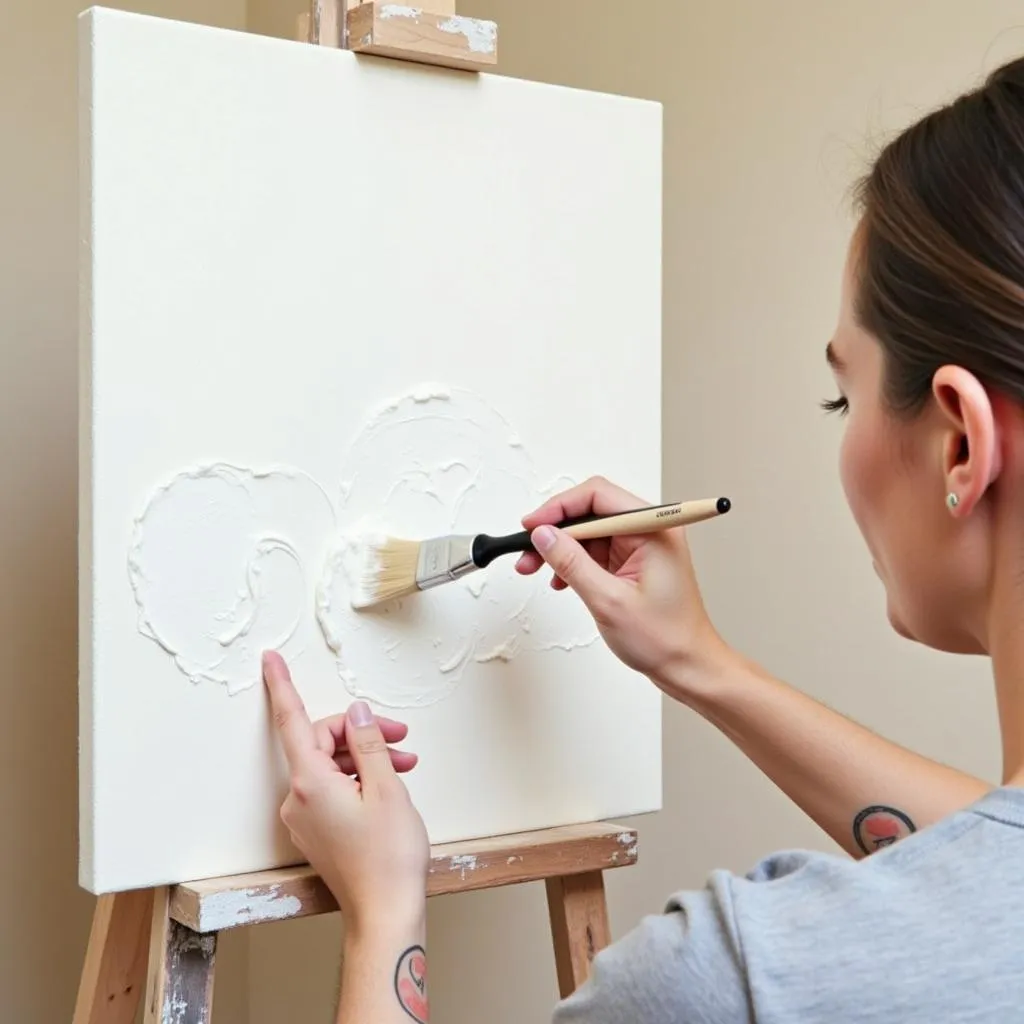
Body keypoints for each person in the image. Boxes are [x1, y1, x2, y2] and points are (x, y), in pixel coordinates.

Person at [260, 53, 1024, 1023]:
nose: (845, 433)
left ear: (958, 442)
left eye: (847, 392)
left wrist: (383, 908)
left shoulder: (742, 979)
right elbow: (983, 872)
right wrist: (701, 663)